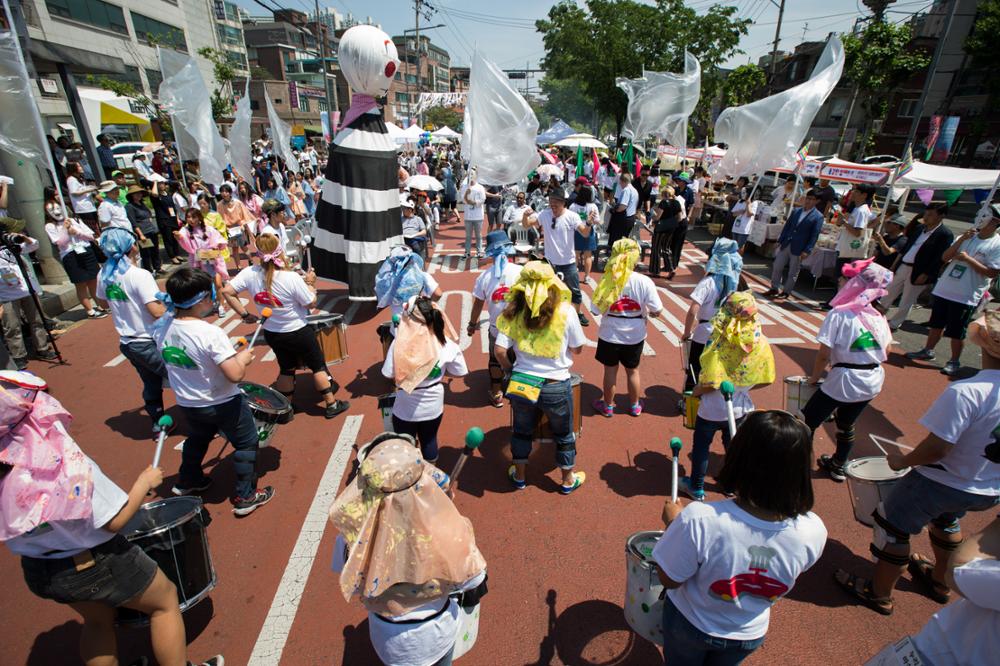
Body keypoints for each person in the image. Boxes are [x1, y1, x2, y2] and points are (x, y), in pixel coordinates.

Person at [1, 387, 223, 666]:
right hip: (94, 560)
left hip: (40, 567)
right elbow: (116, 522)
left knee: (97, 621)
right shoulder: (64, 466)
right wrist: (144, 484)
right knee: (164, 602)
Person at [834, 310, 1000, 615]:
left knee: (892, 525)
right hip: (987, 488)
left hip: (941, 480)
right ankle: (939, 581)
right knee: (947, 519)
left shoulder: (968, 392)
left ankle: (879, 592)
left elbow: (937, 449)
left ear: (985, 344)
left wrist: (902, 460)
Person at [654, 410, 827, 665]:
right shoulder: (814, 530)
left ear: (737, 458)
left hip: (690, 624)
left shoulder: (699, 520)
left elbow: (669, 579)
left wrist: (673, 525)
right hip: (748, 634)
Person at [328, 435, 487, 666]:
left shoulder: (352, 536)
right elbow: (474, 580)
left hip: (388, 639)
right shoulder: (448, 530)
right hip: (437, 632)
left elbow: (350, 580)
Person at [152, 267, 273, 515]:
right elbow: (235, 374)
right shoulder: (209, 332)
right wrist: (243, 359)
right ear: (203, 300)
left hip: (188, 402)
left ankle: (188, 480)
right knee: (247, 442)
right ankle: (245, 496)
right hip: (222, 401)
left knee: (198, 438)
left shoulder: (162, 327)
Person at [223, 234, 350, 419]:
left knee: (286, 368)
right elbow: (311, 303)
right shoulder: (290, 277)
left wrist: (244, 315)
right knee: (317, 366)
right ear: (279, 250)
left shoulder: (249, 273)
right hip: (298, 331)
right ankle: (331, 403)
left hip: (273, 333)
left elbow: (227, 291)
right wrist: (311, 284)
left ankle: (287, 408)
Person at [494, 261, 588, 494]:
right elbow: (578, 348)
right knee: (564, 433)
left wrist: (510, 370)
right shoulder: (566, 311)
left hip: (523, 381)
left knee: (521, 430)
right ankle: (567, 480)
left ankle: (520, 476)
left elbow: (499, 351)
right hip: (556, 384)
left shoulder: (514, 311)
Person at [679, 292, 775, 500]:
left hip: (710, 409)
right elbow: (767, 378)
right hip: (740, 408)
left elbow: (710, 382)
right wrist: (742, 388)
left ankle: (696, 487)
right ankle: (731, 486)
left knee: (702, 447)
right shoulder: (759, 340)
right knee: (733, 448)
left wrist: (695, 392)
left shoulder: (720, 340)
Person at [804, 259, 893, 482]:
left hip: (844, 379)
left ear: (855, 283)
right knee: (846, 422)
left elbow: (824, 354)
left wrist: (814, 378)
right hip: (872, 379)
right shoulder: (878, 315)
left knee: (807, 421)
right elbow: (888, 350)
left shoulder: (839, 314)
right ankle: (838, 464)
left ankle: (798, 464)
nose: (840, 280)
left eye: (845, 278)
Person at [906, 206, 1000, 375]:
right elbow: (944, 257)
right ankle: (928, 350)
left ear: (995, 222)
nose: (979, 217)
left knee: (956, 331)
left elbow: (992, 272)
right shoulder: (968, 236)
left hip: (966, 294)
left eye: (985, 215)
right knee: (936, 324)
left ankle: (954, 360)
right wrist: (962, 238)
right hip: (945, 288)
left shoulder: (997, 244)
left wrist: (968, 259)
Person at [95, 227, 170, 435]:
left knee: (151, 381)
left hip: (128, 342)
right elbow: (156, 310)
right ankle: (208, 419)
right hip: (148, 340)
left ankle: (158, 422)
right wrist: (178, 310)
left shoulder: (104, 274)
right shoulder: (138, 274)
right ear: (132, 247)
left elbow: (101, 302)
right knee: (186, 376)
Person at [382, 297, 466, 463]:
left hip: (404, 406)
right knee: (429, 439)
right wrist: (439, 372)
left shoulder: (399, 343)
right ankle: (430, 475)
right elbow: (460, 371)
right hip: (433, 405)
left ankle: (410, 478)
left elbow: (388, 373)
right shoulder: (446, 343)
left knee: (405, 445)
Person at [590, 238, 667, 418]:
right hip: (635, 334)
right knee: (633, 370)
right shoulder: (644, 281)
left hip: (610, 333)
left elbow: (594, 309)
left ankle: (608, 406)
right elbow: (657, 309)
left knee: (610, 370)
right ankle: (634, 405)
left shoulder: (607, 280)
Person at [522, 189, 595, 327]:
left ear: (563, 203)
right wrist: (525, 216)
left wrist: (589, 224)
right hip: (550, 263)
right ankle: (549, 317)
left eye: (556, 204)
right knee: (548, 292)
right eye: (551, 203)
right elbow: (527, 225)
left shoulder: (572, 216)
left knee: (575, 292)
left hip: (568, 262)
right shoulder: (545, 214)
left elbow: (585, 233)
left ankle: (577, 315)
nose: (552, 206)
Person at [469, 231, 523, 408]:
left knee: (494, 359)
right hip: (520, 325)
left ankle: (497, 392)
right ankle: (519, 390)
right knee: (520, 357)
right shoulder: (521, 272)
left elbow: (477, 304)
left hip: (496, 326)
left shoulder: (484, 276)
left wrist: (471, 324)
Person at [879, 203, 954, 330]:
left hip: (919, 271)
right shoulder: (919, 228)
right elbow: (906, 248)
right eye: (926, 213)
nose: (926, 217)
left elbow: (939, 258)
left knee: (907, 300)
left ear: (941, 216)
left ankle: (894, 324)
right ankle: (877, 316)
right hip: (903, 265)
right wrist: (895, 265)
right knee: (888, 292)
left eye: (931, 214)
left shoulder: (945, 234)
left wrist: (926, 274)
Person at [681, 238, 743, 393]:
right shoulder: (736, 284)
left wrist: (687, 332)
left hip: (704, 332)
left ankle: (689, 400)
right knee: (717, 369)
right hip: (725, 333)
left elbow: (693, 310)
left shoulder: (708, 282)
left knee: (695, 368)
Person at [0, 224, 58, 368]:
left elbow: (33, 245)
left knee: (36, 320)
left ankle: (42, 348)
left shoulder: (12, 246)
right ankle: (18, 355)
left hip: (26, 289)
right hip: (6, 295)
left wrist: (20, 237)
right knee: (12, 326)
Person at [766, 189, 825, 299]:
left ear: (817, 201)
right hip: (787, 242)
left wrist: (807, 250)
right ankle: (774, 288)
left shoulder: (818, 216)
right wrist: (779, 240)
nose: (808, 201)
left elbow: (814, 235)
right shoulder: (796, 210)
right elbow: (787, 227)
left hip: (800, 247)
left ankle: (786, 291)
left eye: (812, 199)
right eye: (808, 198)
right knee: (777, 266)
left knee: (793, 271)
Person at [375, 246, 442, 337]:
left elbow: (382, 298)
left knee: (390, 345)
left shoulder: (389, 280)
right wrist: (427, 302)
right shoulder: (423, 275)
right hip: (422, 325)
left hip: (400, 330)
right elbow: (438, 294)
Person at [174, 208, 228, 317]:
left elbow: (219, 240)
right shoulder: (185, 230)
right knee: (203, 286)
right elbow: (183, 239)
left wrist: (215, 247)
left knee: (218, 283)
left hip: (212, 259)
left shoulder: (208, 229)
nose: (191, 220)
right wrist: (179, 237)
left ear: (199, 217)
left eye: (193, 217)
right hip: (197, 261)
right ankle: (208, 305)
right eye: (188, 217)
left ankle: (221, 305)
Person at [833, 184, 876, 274]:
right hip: (846, 248)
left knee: (842, 276)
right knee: (840, 276)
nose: (853, 192)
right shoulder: (856, 208)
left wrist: (844, 222)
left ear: (864, 195)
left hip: (849, 250)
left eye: (856, 191)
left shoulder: (861, 211)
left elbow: (857, 233)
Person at [124, 185, 162, 275]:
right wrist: (141, 234)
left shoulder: (142, 204)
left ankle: (157, 267)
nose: (138, 195)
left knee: (155, 250)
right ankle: (148, 270)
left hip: (151, 229)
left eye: (139, 193)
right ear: (131, 195)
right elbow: (133, 222)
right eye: (136, 194)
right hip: (143, 232)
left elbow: (148, 215)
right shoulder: (129, 206)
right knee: (146, 253)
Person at [217, 183, 255, 271]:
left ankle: (251, 260)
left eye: (226, 191)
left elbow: (244, 214)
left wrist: (243, 225)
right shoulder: (219, 205)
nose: (224, 193)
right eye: (222, 191)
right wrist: (223, 228)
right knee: (234, 249)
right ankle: (239, 266)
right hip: (229, 228)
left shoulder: (237, 202)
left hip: (239, 226)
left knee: (244, 246)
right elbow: (219, 218)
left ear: (230, 193)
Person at [649, 186, 681, 279]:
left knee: (656, 249)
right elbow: (679, 217)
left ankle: (655, 271)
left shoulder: (663, 203)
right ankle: (671, 269)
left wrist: (653, 218)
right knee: (666, 249)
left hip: (661, 229)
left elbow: (658, 216)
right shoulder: (676, 202)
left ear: (663, 194)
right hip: (671, 229)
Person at [570, 185, 600, 285]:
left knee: (575, 255)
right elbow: (597, 221)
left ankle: (574, 276)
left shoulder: (573, 206)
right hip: (589, 231)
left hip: (577, 232)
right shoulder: (593, 206)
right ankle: (587, 277)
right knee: (588, 256)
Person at [150, 181, 183, 265]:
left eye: (163, 183)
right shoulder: (156, 196)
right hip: (164, 220)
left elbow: (173, 208)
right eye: (160, 184)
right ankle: (172, 256)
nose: (162, 185)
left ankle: (176, 253)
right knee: (168, 239)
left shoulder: (168, 195)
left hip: (173, 219)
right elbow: (154, 194)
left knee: (175, 238)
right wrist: (155, 181)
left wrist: (177, 218)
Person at [65, 162, 99, 232]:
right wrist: (88, 190)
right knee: (91, 228)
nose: (81, 167)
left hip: (90, 206)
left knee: (96, 226)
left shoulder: (80, 178)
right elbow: (74, 192)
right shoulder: (71, 179)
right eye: (78, 166)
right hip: (83, 208)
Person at [608, 172, 638, 248]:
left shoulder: (626, 190)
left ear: (622, 181)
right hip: (631, 217)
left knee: (617, 241)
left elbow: (623, 207)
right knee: (624, 240)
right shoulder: (634, 190)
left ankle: (616, 257)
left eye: (620, 182)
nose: (620, 184)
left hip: (623, 219)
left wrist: (614, 209)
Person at [460, 172, 486, 258]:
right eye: (469, 175)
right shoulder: (464, 187)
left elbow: (483, 199)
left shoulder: (480, 187)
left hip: (478, 216)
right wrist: (467, 194)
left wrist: (474, 202)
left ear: (476, 176)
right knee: (468, 236)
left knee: (478, 235)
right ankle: (467, 252)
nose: (471, 176)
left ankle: (479, 251)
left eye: (472, 175)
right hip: (468, 216)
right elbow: (463, 200)